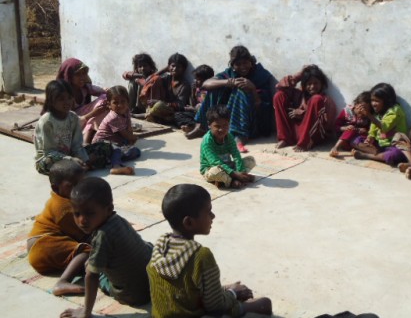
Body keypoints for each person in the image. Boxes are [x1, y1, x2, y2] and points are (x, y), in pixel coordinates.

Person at [147, 183, 273, 317]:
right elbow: (215, 306)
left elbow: (184, 288)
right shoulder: (201, 256)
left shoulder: (160, 247)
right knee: (264, 303)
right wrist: (234, 294)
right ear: (189, 222)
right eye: (208, 212)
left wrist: (225, 289)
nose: (213, 216)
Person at [60, 177, 152, 318]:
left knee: (89, 267)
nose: (82, 220)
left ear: (109, 209)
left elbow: (92, 276)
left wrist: (86, 312)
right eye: (77, 214)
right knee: (148, 246)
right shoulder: (118, 220)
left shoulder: (102, 236)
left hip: (132, 295)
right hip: (150, 284)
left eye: (90, 214)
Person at [186, 45, 274, 153]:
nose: (242, 67)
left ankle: (239, 137)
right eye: (238, 64)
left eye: (245, 63)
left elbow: (261, 107)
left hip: (252, 123)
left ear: (251, 62)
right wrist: (228, 82)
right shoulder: (230, 74)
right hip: (228, 116)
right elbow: (206, 84)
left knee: (242, 90)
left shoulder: (261, 75)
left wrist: (253, 89)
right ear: (233, 66)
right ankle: (201, 126)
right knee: (215, 89)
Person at [27, 160, 90, 296]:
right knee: (87, 250)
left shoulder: (63, 199)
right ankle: (63, 281)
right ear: (56, 189)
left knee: (90, 256)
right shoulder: (65, 210)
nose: (79, 189)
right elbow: (86, 234)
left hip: (45, 246)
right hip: (44, 246)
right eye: (72, 186)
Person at [34, 80, 111, 175]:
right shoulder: (47, 122)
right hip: (51, 158)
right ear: (51, 101)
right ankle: (80, 168)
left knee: (105, 146)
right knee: (51, 163)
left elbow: (76, 144)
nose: (67, 102)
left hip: (71, 154)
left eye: (69, 98)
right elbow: (49, 152)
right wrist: (71, 159)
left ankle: (82, 166)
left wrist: (83, 159)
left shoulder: (73, 117)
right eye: (61, 99)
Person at [274, 65, 337, 152]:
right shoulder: (301, 94)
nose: (312, 87)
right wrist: (298, 76)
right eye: (309, 84)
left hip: (313, 136)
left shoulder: (324, 100)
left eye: (316, 83)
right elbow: (279, 87)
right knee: (279, 96)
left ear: (322, 84)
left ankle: (305, 143)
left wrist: (304, 114)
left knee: (316, 99)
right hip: (297, 132)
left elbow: (326, 124)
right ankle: (285, 139)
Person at [351, 82, 408, 166]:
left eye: (377, 101)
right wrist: (370, 137)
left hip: (393, 145)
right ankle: (375, 152)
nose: (373, 104)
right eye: (372, 100)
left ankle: (367, 155)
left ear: (386, 101)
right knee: (355, 140)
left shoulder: (395, 111)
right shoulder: (378, 112)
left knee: (394, 155)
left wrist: (369, 115)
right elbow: (373, 127)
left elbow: (384, 127)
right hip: (379, 144)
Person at [200, 105, 255, 189]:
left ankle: (238, 177)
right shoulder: (207, 141)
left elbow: (236, 155)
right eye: (217, 126)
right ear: (209, 125)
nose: (221, 129)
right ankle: (230, 181)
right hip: (211, 168)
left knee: (251, 160)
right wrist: (235, 174)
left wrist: (241, 171)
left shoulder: (229, 137)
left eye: (225, 125)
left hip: (228, 166)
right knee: (215, 172)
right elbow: (215, 162)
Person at [56, 58, 108, 145]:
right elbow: (66, 120)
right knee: (95, 116)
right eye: (78, 74)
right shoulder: (61, 94)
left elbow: (103, 92)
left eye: (84, 74)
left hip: (82, 120)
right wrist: (93, 113)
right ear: (69, 75)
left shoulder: (84, 88)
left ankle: (89, 133)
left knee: (106, 99)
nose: (82, 77)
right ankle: (86, 140)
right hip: (66, 125)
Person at [92, 86, 141, 175]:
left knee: (136, 151)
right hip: (102, 145)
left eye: (123, 101)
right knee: (116, 149)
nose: (120, 105)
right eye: (115, 102)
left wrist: (131, 139)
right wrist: (133, 138)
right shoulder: (113, 117)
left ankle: (110, 159)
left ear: (128, 102)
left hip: (116, 142)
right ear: (109, 104)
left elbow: (129, 128)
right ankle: (116, 167)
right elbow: (127, 135)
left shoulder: (126, 111)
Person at [140, 52, 191, 125]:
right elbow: (150, 79)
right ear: (168, 67)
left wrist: (161, 102)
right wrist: (164, 70)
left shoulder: (184, 85)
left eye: (178, 67)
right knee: (156, 80)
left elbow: (180, 105)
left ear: (183, 69)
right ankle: (150, 115)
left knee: (159, 105)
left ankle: (144, 115)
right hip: (160, 108)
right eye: (173, 66)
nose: (175, 69)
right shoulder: (167, 78)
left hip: (172, 112)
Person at [175, 64, 215, 135]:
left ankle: (198, 127)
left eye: (198, 79)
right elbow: (194, 104)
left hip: (206, 116)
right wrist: (193, 93)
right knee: (178, 115)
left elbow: (208, 109)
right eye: (195, 79)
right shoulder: (198, 89)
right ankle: (194, 126)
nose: (195, 81)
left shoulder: (211, 91)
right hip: (197, 114)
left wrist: (194, 109)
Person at [329, 91, 371, 157]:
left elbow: (369, 130)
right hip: (344, 139)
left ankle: (356, 151)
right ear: (356, 104)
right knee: (351, 129)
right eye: (361, 107)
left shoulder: (368, 116)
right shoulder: (347, 111)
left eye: (366, 110)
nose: (362, 111)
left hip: (356, 139)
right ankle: (335, 148)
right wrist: (345, 128)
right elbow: (335, 126)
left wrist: (365, 130)